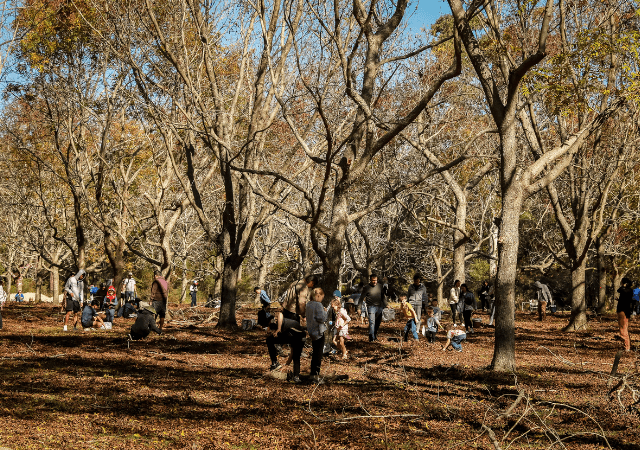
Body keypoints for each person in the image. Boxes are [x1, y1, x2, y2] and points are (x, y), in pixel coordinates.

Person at [266, 317, 306, 383]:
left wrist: (278, 329)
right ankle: (275, 363)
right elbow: (292, 353)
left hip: (298, 335)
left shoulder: (280, 320)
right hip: (295, 335)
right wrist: (286, 365)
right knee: (269, 340)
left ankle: (296, 376)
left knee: (296, 357)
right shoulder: (288, 331)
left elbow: (280, 315)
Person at [306, 288, 327, 383]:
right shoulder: (318, 305)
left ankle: (312, 374)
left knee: (315, 353)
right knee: (318, 354)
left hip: (311, 331)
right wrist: (325, 312)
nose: (322, 299)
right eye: (322, 297)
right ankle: (315, 376)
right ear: (318, 295)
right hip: (318, 332)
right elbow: (321, 318)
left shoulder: (308, 304)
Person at [617, 278, 633, 351]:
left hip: (623, 311)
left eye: (622, 282)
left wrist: (623, 285)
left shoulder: (625, 290)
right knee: (625, 328)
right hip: (626, 311)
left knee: (623, 329)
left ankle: (626, 347)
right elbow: (625, 300)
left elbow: (619, 290)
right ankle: (627, 345)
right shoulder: (629, 291)